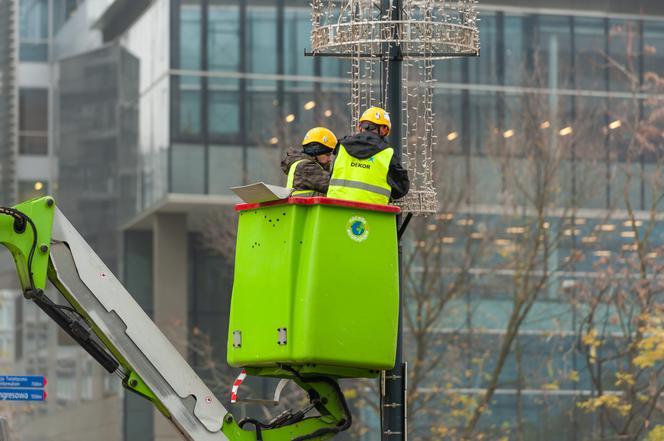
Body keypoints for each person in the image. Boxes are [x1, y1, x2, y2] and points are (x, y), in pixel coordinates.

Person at [327, 106, 409, 204]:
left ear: (360, 127)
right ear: (384, 130)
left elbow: (332, 177)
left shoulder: (342, 147)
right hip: (373, 214)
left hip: (335, 210)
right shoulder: (387, 153)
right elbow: (401, 189)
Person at [281, 127, 337, 196]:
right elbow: (335, 186)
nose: (330, 159)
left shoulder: (309, 165)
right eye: (327, 154)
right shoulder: (305, 167)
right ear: (316, 151)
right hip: (304, 207)